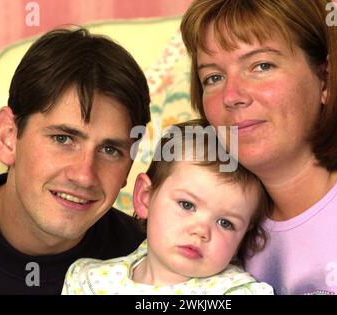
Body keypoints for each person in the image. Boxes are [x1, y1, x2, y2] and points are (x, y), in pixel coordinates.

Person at [180, 0, 337, 295]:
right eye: (214, 77)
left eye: (262, 65)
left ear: (325, 80)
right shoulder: (207, 215)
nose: (232, 96)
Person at [0, 27, 151, 294]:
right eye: (62, 139)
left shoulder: (152, 264)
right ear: (8, 137)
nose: (84, 175)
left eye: (110, 150)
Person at [62, 120, 273, 295]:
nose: (200, 231)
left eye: (225, 223)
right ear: (145, 198)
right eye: (187, 205)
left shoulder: (236, 292)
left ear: (244, 235)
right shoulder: (89, 281)